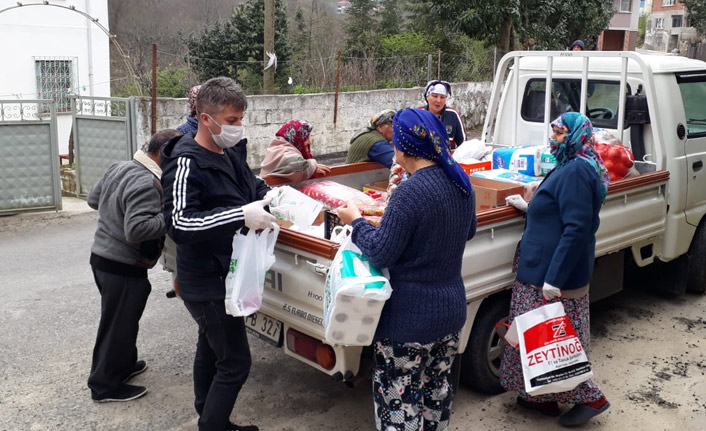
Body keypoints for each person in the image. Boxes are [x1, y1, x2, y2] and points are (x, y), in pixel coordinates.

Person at [337, 108, 477, 431]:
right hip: (450, 314)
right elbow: (467, 231)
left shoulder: (409, 194)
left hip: (408, 322)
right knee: (436, 400)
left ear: (402, 146)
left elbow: (380, 251)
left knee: (399, 408)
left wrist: (356, 221)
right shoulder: (460, 181)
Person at [161, 76, 273, 431]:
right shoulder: (186, 161)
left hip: (227, 272)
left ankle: (208, 412)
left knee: (210, 346)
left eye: (241, 119)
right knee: (236, 362)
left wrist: (272, 195)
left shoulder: (227, 153)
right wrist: (240, 214)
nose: (238, 128)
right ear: (206, 119)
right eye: (231, 120)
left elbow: (250, 186)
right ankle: (213, 424)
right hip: (204, 279)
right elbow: (178, 223)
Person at [500, 112, 611, 427]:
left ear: (575, 136)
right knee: (535, 339)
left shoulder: (576, 169)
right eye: (554, 132)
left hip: (549, 274)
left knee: (553, 342)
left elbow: (577, 228)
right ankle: (542, 399)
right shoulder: (569, 163)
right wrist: (532, 205)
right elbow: (558, 212)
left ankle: (591, 397)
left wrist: (554, 279)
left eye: (560, 133)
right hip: (541, 266)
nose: (554, 139)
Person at [87, 128, 181, 402]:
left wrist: (114, 214)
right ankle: (104, 385)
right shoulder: (148, 183)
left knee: (125, 321)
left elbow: (94, 200)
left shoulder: (121, 166)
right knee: (116, 325)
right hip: (122, 265)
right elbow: (137, 229)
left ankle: (124, 366)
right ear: (165, 155)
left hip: (103, 258)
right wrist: (173, 216)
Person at [259, 120, 331, 181]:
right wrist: (313, 166)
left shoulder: (280, 145)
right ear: (297, 138)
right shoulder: (283, 150)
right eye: (306, 138)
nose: (309, 142)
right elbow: (296, 165)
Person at [419, 80, 466, 149]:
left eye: (442, 97)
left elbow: (464, 144)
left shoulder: (453, 114)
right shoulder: (418, 114)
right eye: (434, 96)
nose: (438, 100)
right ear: (427, 97)